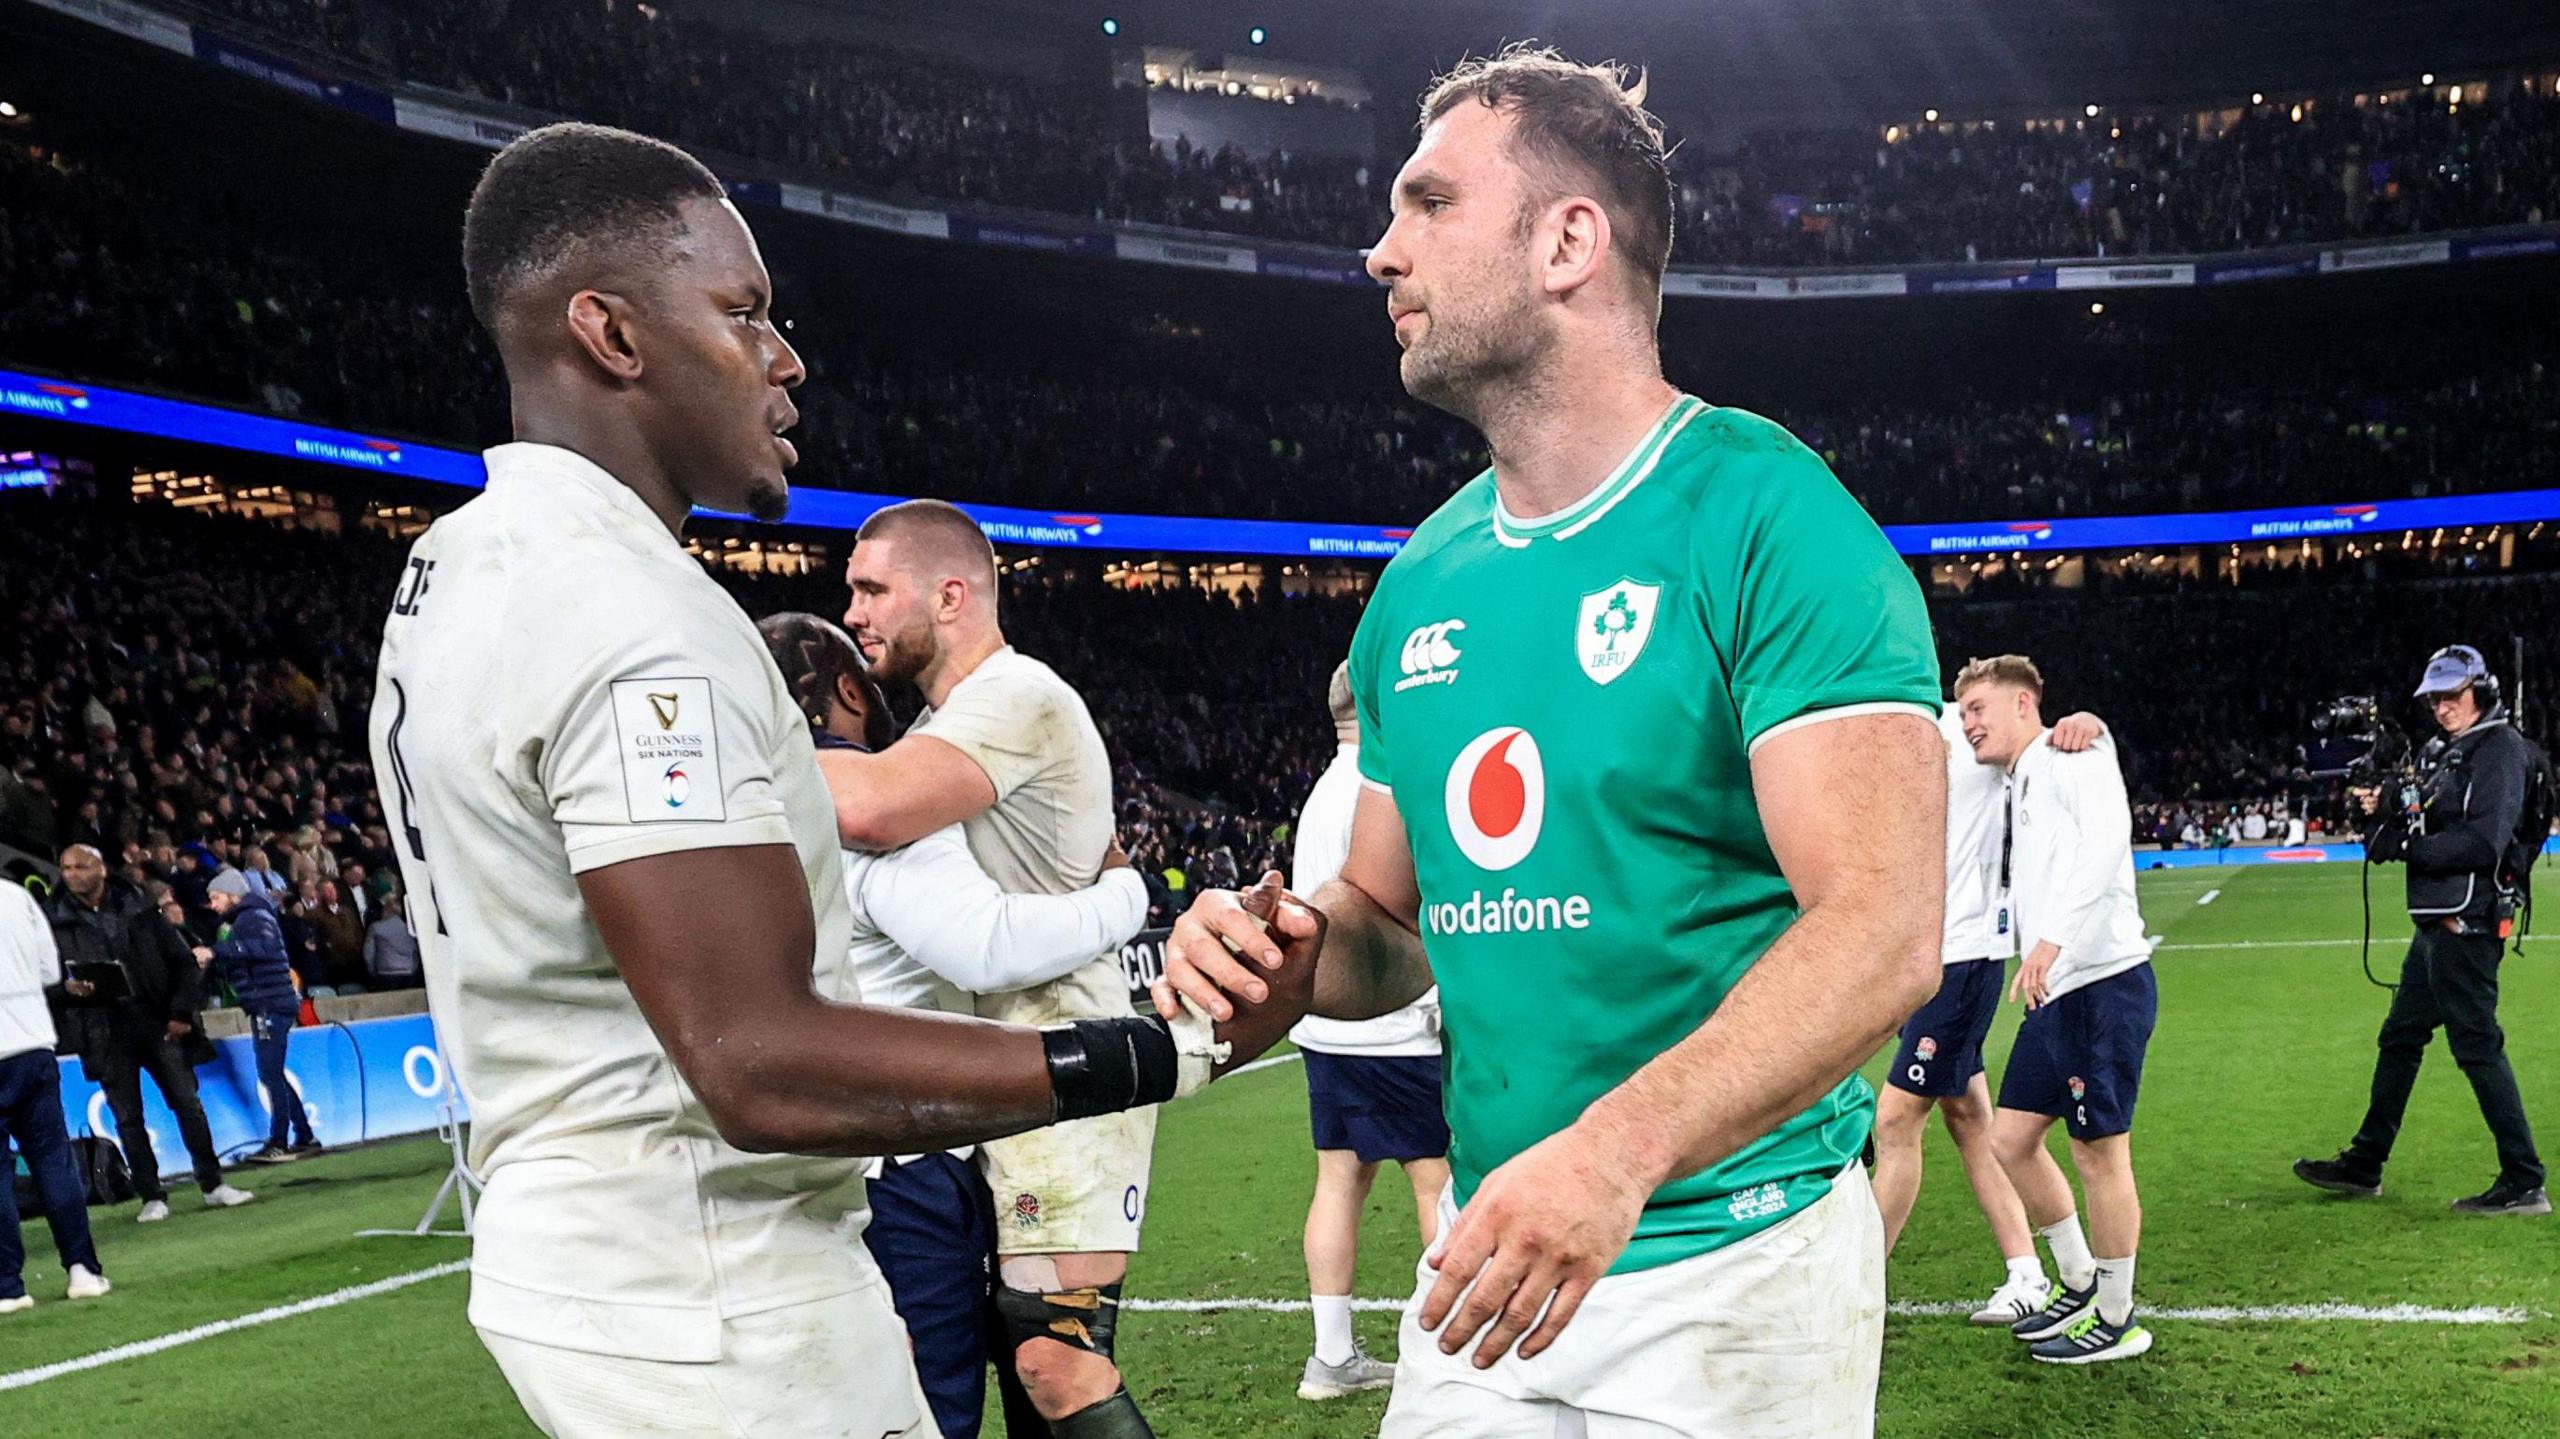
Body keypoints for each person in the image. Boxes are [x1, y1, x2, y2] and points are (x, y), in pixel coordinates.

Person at [371, 122, 1309, 1439]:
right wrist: (1170, 1043)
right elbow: (757, 1060)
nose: (784, 356)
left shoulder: (451, 564)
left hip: (574, 1246)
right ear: (613, 335)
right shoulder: (636, 610)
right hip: (713, 1284)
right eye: (744, 312)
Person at [1159, 48, 1946, 1435]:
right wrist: (1284, 958)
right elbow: (1385, 924)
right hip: (1492, 1257)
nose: (1378, 248)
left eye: (1429, 203)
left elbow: (1885, 926)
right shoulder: (1423, 579)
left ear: (1568, 239)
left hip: (1732, 1273)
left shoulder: (1772, 516)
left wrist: (1619, 1150)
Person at [762, 611, 1151, 1437]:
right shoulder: (881, 816)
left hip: (803, 1153)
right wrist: (1125, 894)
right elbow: (988, 946)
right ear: (848, 690)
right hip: (906, 1159)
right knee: (935, 1410)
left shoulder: (751, 815)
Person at [2295, 645, 2547, 1216]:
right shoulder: (2454, 752)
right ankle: (2365, 1162)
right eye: (2434, 698)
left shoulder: (2500, 749)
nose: (2440, 707)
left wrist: (2410, 846)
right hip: (2438, 922)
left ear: (2481, 691)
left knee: (2478, 1045)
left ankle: (2525, 1179)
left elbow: (2485, 841)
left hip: (2469, 921)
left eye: (2451, 695)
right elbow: (2426, 819)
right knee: (2401, 1038)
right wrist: (2383, 811)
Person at [1955, 655, 2158, 1364]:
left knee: (2098, 1151)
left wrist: (2050, 940)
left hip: (2101, 979)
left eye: (1979, 707)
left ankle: (2117, 1313)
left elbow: (2106, 845)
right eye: (1963, 712)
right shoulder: (2019, 775)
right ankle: (2075, 1278)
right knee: (2009, 1138)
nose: (1969, 723)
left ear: (2022, 704)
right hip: (2056, 988)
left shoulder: (2074, 751)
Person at [1287, 662, 1449, 1401]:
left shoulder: (1322, 792)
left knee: (1339, 1179)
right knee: (1437, 1182)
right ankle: (1458, 1349)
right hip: (1397, 1029)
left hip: (1327, 1028)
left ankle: (1331, 1357)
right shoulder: (1387, 790)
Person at [43, 844, 254, 1222]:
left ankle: (212, 1183)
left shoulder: (141, 910)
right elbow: (45, 979)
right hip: (103, 1030)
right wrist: (66, 991)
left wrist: (180, 1014)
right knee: (127, 1118)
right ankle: (152, 1195)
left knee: (188, 1104)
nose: (71, 874)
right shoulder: (54, 921)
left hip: (157, 1023)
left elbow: (183, 964)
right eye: (66, 868)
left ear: (101, 869)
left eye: (80, 866)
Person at [3, 878, 109, 1312]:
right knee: (52, 1159)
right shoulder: (17, 896)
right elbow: (51, 971)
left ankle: (8, 1285)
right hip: (31, 1045)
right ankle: (81, 1269)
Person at [207, 867, 320, 1166]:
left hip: (271, 1004)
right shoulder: (245, 919)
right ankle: (304, 1136)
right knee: (273, 1073)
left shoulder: (254, 917)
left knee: (270, 1073)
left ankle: (280, 1140)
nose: (214, 905)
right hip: (265, 1004)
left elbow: (264, 948)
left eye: (216, 898)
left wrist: (219, 951)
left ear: (233, 895)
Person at [362, 894, 421, 990]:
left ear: (385, 910)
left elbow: (368, 954)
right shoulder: (410, 928)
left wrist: (372, 971)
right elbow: (415, 951)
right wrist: (413, 969)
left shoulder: (375, 927)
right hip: (408, 972)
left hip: (386, 973)